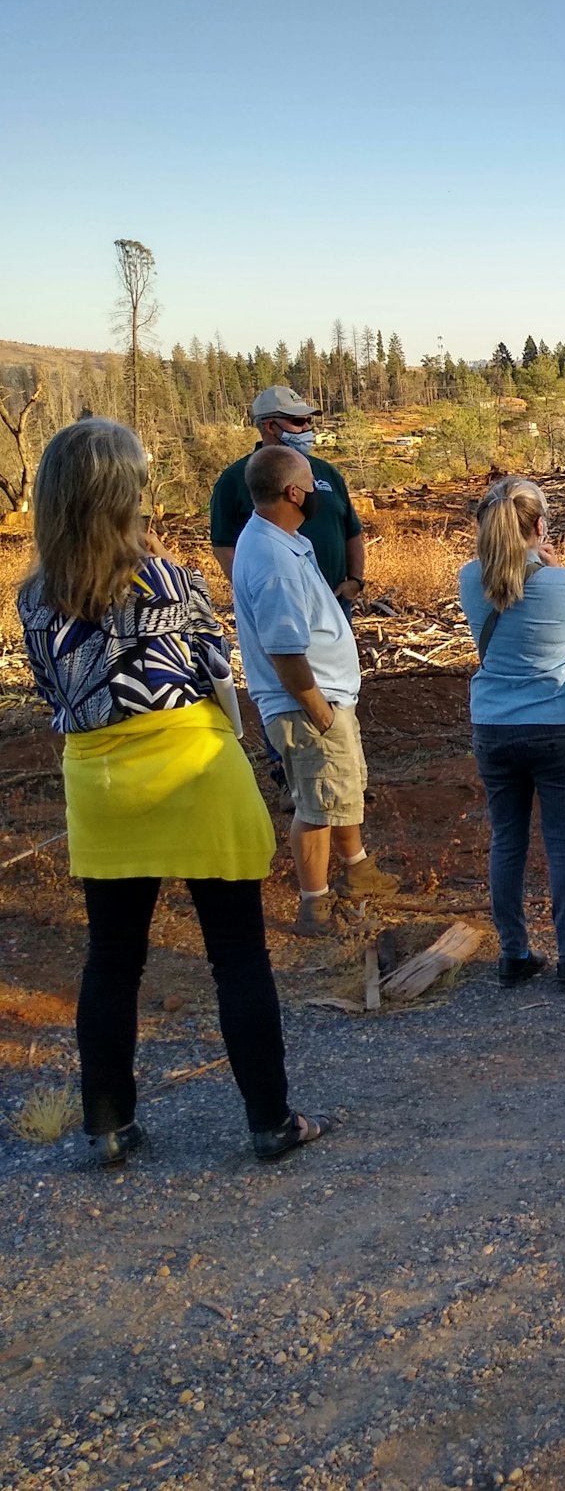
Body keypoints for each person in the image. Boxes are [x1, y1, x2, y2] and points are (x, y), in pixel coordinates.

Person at [15, 419, 333, 1165]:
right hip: (194, 769)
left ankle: (109, 1125)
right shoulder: (169, 580)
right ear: (126, 494)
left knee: (112, 959)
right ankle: (270, 1120)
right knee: (237, 954)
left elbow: (49, 695)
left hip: (101, 782)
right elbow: (217, 675)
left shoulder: (33, 600)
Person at [231, 445, 399, 935]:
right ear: (293, 491)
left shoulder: (282, 540)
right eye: (312, 484)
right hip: (307, 705)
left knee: (337, 791)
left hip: (324, 698)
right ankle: (315, 906)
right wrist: (319, 711)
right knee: (317, 805)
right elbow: (284, 650)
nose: (318, 493)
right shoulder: (274, 559)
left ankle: (358, 872)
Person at [459, 477, 565, 988]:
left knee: (507, 840)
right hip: (557, 723)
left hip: (493, 725)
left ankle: (513, 952)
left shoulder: (468, 579)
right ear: (540, 526)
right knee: (564, 841)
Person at [209, 385, 367, 611]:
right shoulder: (235, 479)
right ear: (270, 426)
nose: (307, 428)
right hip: (278, 609)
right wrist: (257, 593)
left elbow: (351, 531)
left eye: (308, 421)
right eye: (298, 422)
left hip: (334, 605)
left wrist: (355, 581)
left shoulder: (327, 473)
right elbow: (224, 545)